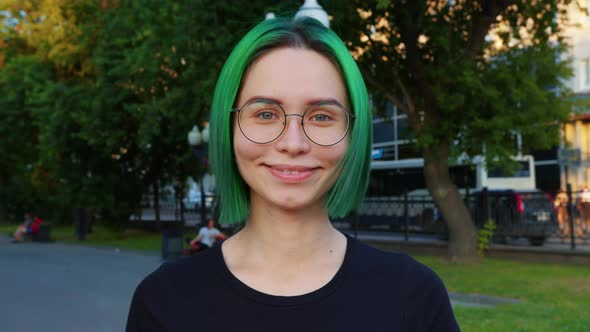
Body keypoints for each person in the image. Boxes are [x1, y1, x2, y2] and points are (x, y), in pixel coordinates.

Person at [127, 17, 460, 331]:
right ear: (228, 129)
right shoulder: (163, 300)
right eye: (267, 113)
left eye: (321, 117)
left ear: (352, 134)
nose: (293, 143)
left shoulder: (412, 296)